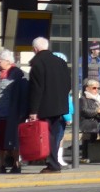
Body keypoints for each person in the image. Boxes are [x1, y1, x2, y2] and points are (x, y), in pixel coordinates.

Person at [27, 37, 70, 173]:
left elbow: (36, 89)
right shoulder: (60, 62)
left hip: (44, 106)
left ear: (35, 49)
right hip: (60, 105)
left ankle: (53, 164)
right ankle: (54, 161)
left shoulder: (37, 63)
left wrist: (33, 110)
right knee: (55, 134)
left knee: (48, 135)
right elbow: (68, 84)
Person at [0, 49, 28, 174]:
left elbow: (24, 94)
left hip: (12, 114)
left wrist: (23, 112)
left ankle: (16, 163)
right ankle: (2, 164)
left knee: (13, 140)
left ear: (8, 61)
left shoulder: (19, 74)